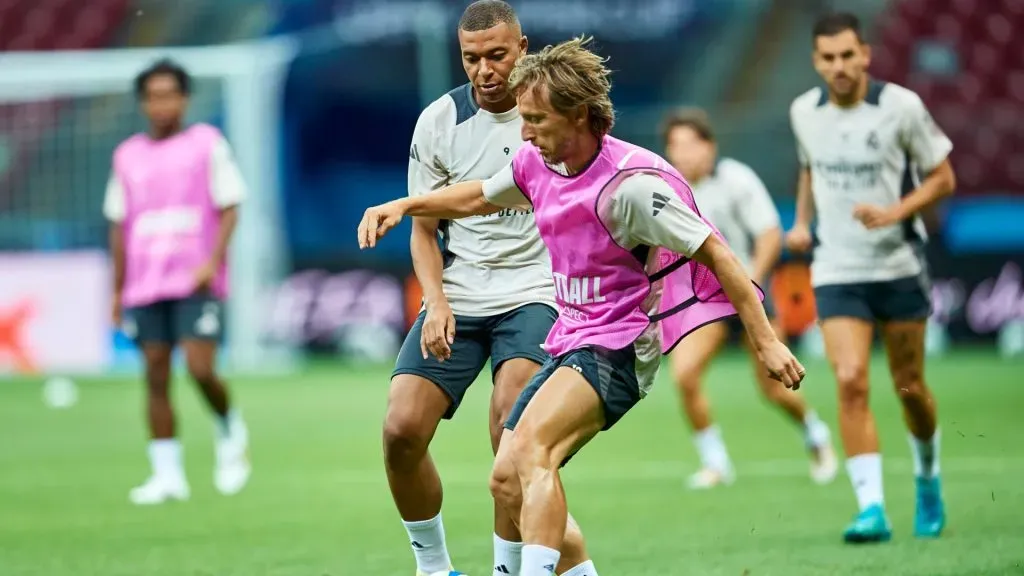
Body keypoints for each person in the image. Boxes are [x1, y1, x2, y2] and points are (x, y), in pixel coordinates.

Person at [359, 36, 806, 576]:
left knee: (530, 454)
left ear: (579, 116)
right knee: (505, 479)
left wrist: (765, 340)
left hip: (619, 344)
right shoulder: (534, 162)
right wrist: (404, 204)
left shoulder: (634, 188)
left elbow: (718, 254)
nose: (524, 133)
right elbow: (477, 196)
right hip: (572, 340)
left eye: (537, 120)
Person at [382, 3, 597, 575]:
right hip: (460, 291)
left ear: (523, 47)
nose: (485, 70)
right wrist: (437, 302)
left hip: (537, 290)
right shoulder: (438, 122)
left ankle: (505, 569)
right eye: (472, 58)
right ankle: (434, 567)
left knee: (510, 428)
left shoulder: (551, 115)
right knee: (401, 430)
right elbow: (424, 231)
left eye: (497, 55)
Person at [785, 12, 955, 543]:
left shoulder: (901, 107)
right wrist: (802, 221)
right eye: (828, 58)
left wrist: (897, 211)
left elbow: (943, 177)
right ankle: (871, 508)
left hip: (898, 264)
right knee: (851, 379)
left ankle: (927, 477)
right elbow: (811, 166)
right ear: (816, 61)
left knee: (909, 388)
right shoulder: (803, 112)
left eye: (847, 55)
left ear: (865, 55)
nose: (838, 66)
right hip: (836, 268)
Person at [660, 108, 837, 489]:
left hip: (747, 296)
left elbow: (770, 234)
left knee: (774, 388)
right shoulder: (666, 187)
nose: (685, 153)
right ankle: (716, 463)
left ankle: (816, 435)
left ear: (710, 146)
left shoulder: (736, 179)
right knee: (685, 375)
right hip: (702, 302)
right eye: (676, 146)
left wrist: (750, 283)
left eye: (692, 144)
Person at [104, 59, 251, 505]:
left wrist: (212, 261)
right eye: (153, 96)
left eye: (170, 94)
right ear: (143, 102)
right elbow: (118, 224)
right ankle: (167, 475)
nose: (161, 104)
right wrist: (116, 290)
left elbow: (230, 205)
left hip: (194, 280)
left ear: (184, 99)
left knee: (200, 367)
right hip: (145, 285)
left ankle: (229, 427)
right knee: (154, 374)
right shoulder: (126, 155)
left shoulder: (206, 144)